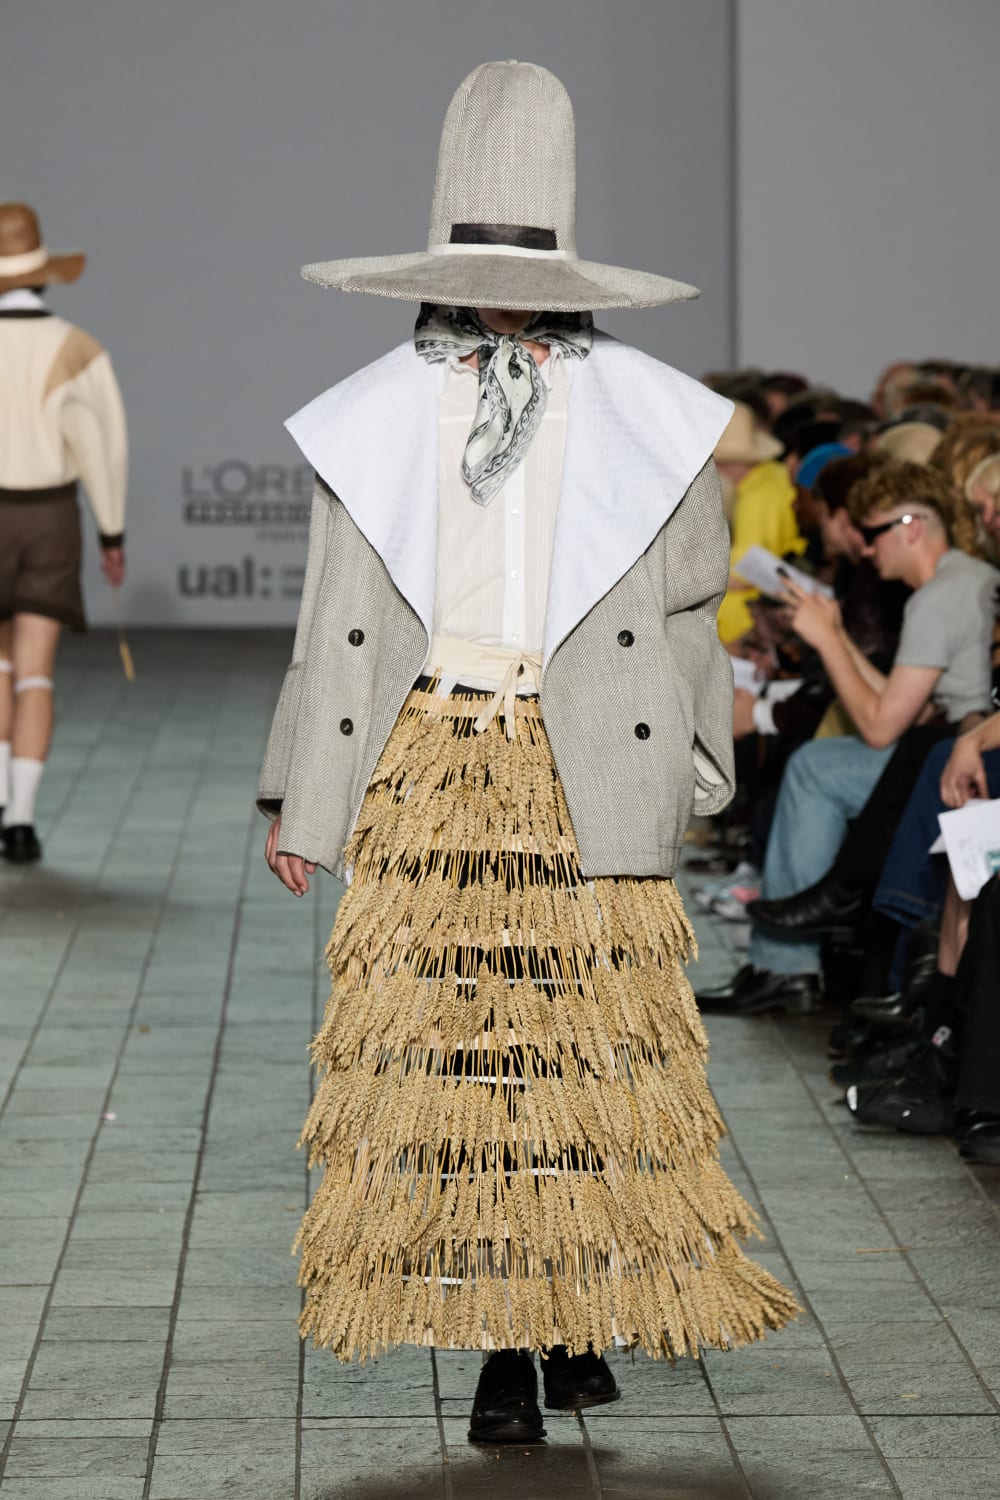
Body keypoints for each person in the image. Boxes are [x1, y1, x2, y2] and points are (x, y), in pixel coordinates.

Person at [257, 61, 797, 1446]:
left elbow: (685, 614)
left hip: (583, 762)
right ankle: (510, 1347)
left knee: (586, 1054)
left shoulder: (657, 420)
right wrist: (301, 797)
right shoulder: (376, 414)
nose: (499, 302)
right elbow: (334, 621)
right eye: (474, 278)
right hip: (432, 767)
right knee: (462, 1066)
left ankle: (567, 1315)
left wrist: (696, 769)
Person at [699, 461, 997, 1015]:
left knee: (817, 769)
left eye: (875, 532)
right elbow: (898, 702)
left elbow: (882, 727)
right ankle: (789, 951)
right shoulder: (955, 581)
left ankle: (787, 961)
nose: (865, 546)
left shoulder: (939, 596)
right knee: (820, 761)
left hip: (952, 751)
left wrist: (829, 642)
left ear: (912, 528)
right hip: (942, 743)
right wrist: (834, 632)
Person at [0, 202, 127, 863]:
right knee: (35, 673)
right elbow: (101, 448)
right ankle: (20, 820)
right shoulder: (76, 348)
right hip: (49, 517)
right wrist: (112, 531)